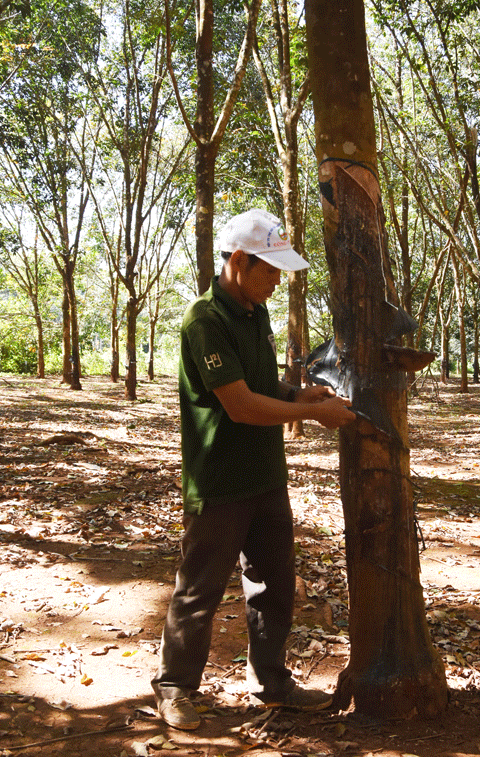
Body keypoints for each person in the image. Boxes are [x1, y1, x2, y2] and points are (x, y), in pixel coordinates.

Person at [151, 208, 355, 730]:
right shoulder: (205, 320)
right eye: (269, 269)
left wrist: (297, 393)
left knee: (274, 585)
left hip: (265, 478)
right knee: (199, 589)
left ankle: (271, 681)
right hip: (219, 480)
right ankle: (174, 688)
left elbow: (262, 387)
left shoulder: (255, 313)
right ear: (238, 261)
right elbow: (240, 404)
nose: (276, 281)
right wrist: (311, 412)